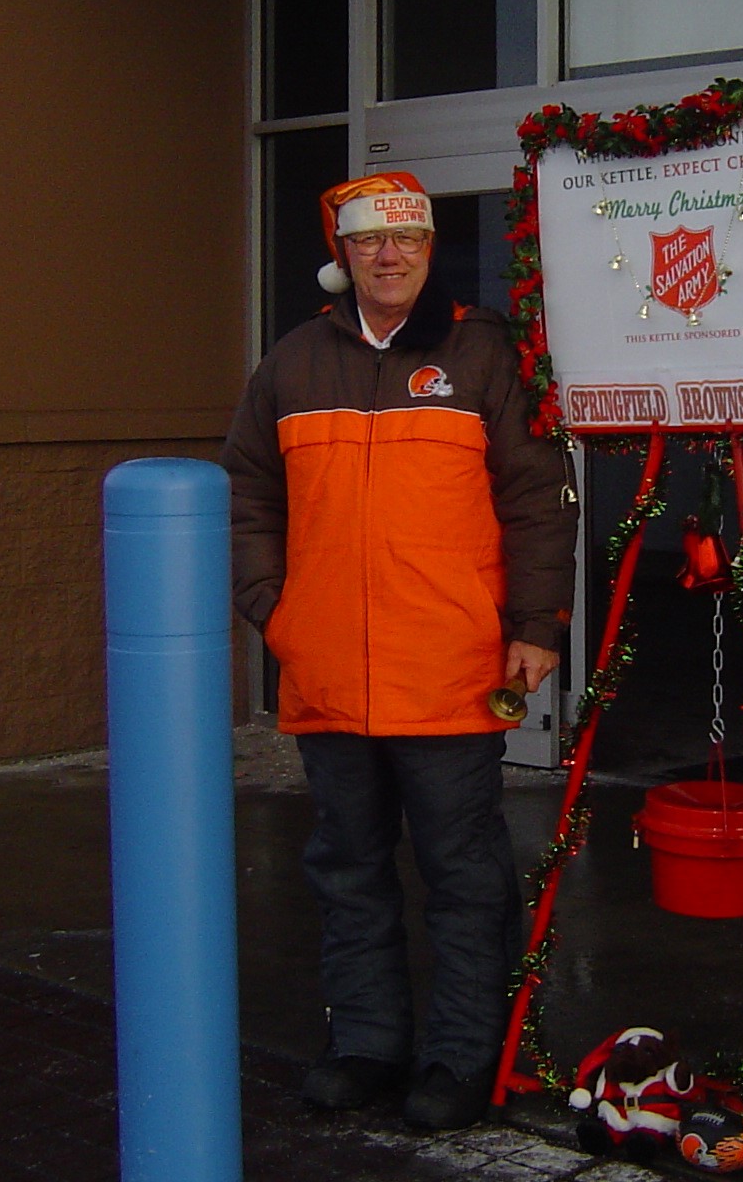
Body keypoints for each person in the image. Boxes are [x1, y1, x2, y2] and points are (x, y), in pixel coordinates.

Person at [223, 172, 578, 1131]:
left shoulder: (482, 355)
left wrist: (536, 627)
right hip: (330, 674)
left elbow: (538, 501)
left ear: (429, 251)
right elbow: (249, 498)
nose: (390, 257)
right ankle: (368, 1045)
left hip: (452, 674)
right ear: (342, 255)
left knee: (464, 878)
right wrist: (276, 610)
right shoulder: (292, 365)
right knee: (348, 870)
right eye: (372, 242)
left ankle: (466, 1057)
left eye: (409, 241)